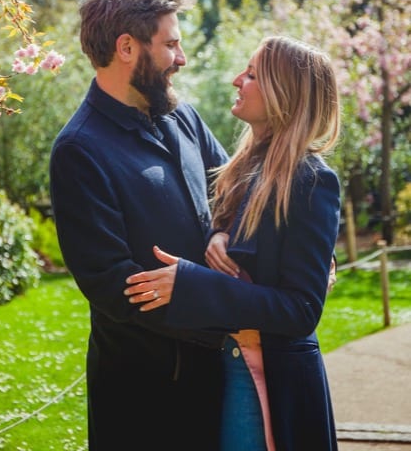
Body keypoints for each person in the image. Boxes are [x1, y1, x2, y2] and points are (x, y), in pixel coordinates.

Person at [125, 35, 341, 451]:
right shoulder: (244, 169)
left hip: (269, 380)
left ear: (284, 94)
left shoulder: (312, 180)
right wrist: (219, 234)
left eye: (252, 74)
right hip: (226, 363)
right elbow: (245, 245)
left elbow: (302, 310)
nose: (235, 80)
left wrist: (190, 285)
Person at [49, 0, 229, 451]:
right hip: (143, 395)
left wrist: (302, 251)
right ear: (127, 47)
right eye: (171, 44)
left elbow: (237, 192)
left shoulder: (182, 116)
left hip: (218, 373)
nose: (182, 59)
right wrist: (223, 312)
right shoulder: (78, 150)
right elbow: (113, 284)